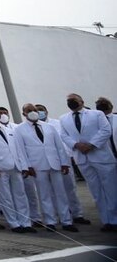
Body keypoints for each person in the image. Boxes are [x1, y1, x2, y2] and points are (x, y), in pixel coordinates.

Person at [13, 103, 77, 232]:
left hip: (55, 164)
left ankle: (66, 221)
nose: (33, 112)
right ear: (24, 113)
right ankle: (50, 221)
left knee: (60, 193)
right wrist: (27, 166)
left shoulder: (49, 127)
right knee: (44, 194)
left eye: (34, 110)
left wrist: (64, 163)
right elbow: (20, 150)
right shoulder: (19, 129)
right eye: (29, 110)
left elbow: (59, 146)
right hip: (37, 165)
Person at [59, 93, 117, 231]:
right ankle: (106, 220)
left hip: (101, 156)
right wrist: (76, 145)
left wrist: (91, 145)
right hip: (82, 158)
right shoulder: (64, 118)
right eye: (69, 100)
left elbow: (105, 130)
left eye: (74, 100)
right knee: (96, 191)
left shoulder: (96, 114)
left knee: (111, 190)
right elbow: (64, 135)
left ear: (82, 101)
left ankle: (115, 219)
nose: (71, 102)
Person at [0, 108, 34, 233]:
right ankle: (14, 223)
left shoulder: (9, 130)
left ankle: (25, 222)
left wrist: (24, 166)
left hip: (15, 166)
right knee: (5, 197)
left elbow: (18, 149)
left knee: (20, 195)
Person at [36, 102, 89, 225]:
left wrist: (69, 157)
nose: (39, 112)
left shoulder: (57, 123)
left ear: (46, 111)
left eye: (41, 109)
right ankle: (61, 214)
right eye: (36, 110)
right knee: (52, 191)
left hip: (64, 159)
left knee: (70, 188)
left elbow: (65, 140)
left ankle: (77, 214)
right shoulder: (33, 127)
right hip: (46, 163)